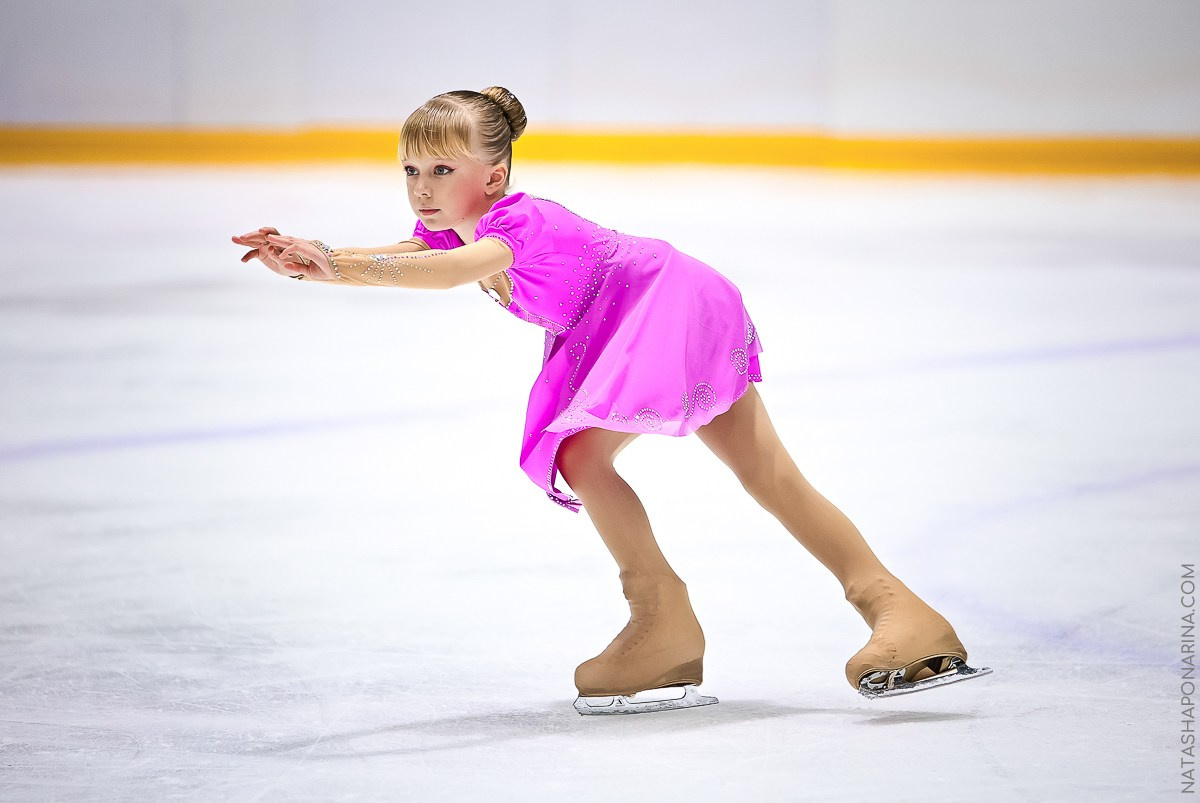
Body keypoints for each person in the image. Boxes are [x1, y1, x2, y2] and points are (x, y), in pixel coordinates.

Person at [232, 86, 990, 715]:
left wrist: (333, 266)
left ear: (492, 175)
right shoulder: (452, 229)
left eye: (441, 168)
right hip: (635, 314)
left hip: (660, 301)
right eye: (409, 171)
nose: (422, 188)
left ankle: (663, 621)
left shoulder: (519, 223)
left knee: (592, 452)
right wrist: (314, 259)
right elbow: (407, 256)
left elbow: (448, 273)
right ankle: (904, 616)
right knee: (761, 473)